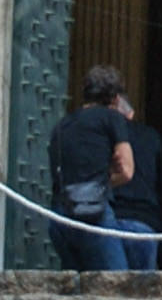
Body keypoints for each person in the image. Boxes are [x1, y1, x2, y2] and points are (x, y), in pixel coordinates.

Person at [47, 64, 137, 272]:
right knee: (116, 282)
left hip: (60, 217)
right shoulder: (111, 118)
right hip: (93, 213)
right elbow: (127, 171)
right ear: (116, 99)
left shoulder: (61, 125)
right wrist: (107, 178)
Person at [118, 103, 162, 273]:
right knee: (143, 286)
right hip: (145, 219)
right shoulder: (151, 136)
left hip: (109, 220)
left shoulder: (103, 137)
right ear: (131, 113)